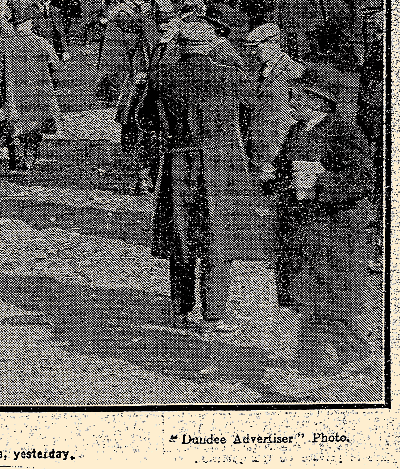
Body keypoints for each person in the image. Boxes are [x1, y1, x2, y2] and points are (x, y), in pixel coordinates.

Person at [268, 66, 373, 374]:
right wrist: (277, 183)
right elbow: (283, 171)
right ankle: (316, 356)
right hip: (303, 227)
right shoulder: (298, 130)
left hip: (336, 227)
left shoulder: (343, 131)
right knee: (307, 293)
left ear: (321, 102)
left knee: (337, 293)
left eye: (301, 96)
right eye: (295, 95)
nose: (293, 101)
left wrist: (320, 185)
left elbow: (362, 178)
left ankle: (346, 356)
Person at [152, 21, 255, 332]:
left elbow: (145, 118)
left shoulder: (164, 77)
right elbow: (251, 108)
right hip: (220, 159)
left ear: (182, 46)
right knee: (217, 236)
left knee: (181, 236)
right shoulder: (229, 74)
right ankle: (216, 312)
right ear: (210, 46)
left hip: (179, 158)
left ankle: (180, 310)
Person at [243, 23, 305, 182]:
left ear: (272, 44)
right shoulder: (260, 70)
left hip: (279, 139)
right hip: (260, 139)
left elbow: (298, 107)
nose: (252, 52)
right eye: (250, 48)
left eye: (256, 47)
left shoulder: (293, 70)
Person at [0, 14, 62, 170]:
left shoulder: (5, 44)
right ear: (30, 24)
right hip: (38, 92)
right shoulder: (42, 43)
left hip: (13, 92)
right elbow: (56, 66)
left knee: (13, 122)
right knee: (35, 123)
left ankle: (15, 151)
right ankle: (29, 155)